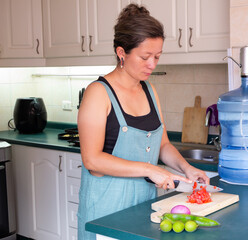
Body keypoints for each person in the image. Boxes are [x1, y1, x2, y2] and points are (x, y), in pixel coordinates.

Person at [77, 4, 209, 239]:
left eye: (157, 56)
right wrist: (150, 169)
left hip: (144, 207)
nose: (152, 64)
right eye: (145, 57)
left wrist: (187, 169)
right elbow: (92, 160)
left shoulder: (149, 90)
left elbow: (164, 145)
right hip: (105, 210)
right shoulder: (98, 93)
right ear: (121, 53)